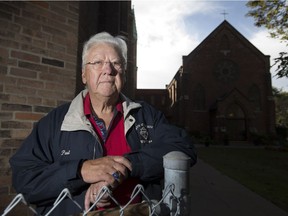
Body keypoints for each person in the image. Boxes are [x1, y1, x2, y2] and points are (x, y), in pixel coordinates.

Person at [9, 32, 197, 215]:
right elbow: (24, 178)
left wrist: (126, 166)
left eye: (116, 63)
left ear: (123, 72)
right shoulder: (55, 122)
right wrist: (80, 171)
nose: (108, 69)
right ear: (84, 75)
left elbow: (183, 147)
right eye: (98, 62)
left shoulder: (146, 115)